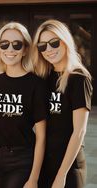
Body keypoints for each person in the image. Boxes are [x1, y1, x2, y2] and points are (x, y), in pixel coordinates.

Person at [32, 19, 93, 188]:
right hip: (45, 163)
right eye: (42, 45)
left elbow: (79, 132)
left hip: (69, 167)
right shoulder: (44, 77)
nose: (48, 49)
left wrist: (62, 175)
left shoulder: (78, 78)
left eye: (54, 43)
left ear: (65, 41)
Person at [0, 22, 47, 188]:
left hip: (21, 160)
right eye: (4, 44)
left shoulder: (36, 85)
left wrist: (34, 179)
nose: (10, 49)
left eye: (17, 44)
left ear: (25, 49)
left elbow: (41, 137)